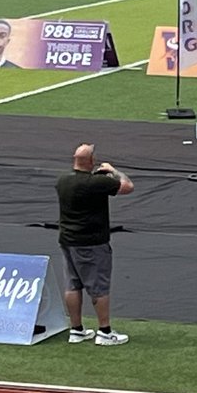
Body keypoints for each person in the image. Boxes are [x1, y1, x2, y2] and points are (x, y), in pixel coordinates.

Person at [56, 143, 135, 346]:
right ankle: (105, 332)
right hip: (91, 243)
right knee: (99, 286)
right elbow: (127, 186)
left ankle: (76, 329)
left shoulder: (63, 181)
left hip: (68, 240)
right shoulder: (96, 183)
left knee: (72, 285)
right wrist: (113, 171)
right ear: (91, 161)